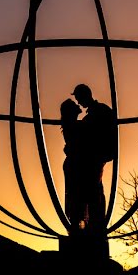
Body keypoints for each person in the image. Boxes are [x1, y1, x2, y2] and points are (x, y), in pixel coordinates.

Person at [70, 83, 117, 237]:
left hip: (96, 156)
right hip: (97, 155)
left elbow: (94, 134)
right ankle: (94, 225)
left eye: (78, 98)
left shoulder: (99, 112)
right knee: (94, 188)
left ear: (85, 96)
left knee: (93, 189)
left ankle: (95, 225)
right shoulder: (96, 113)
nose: (78, 102)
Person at [59, 98, 86, 233]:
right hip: (76, 165)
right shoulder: (75, 126)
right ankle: (77, 225)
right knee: (77, 195)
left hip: (74, 164)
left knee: (75, 195)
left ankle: (77, 224)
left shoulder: (72, 125)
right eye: (75, 106)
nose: (78, 105)